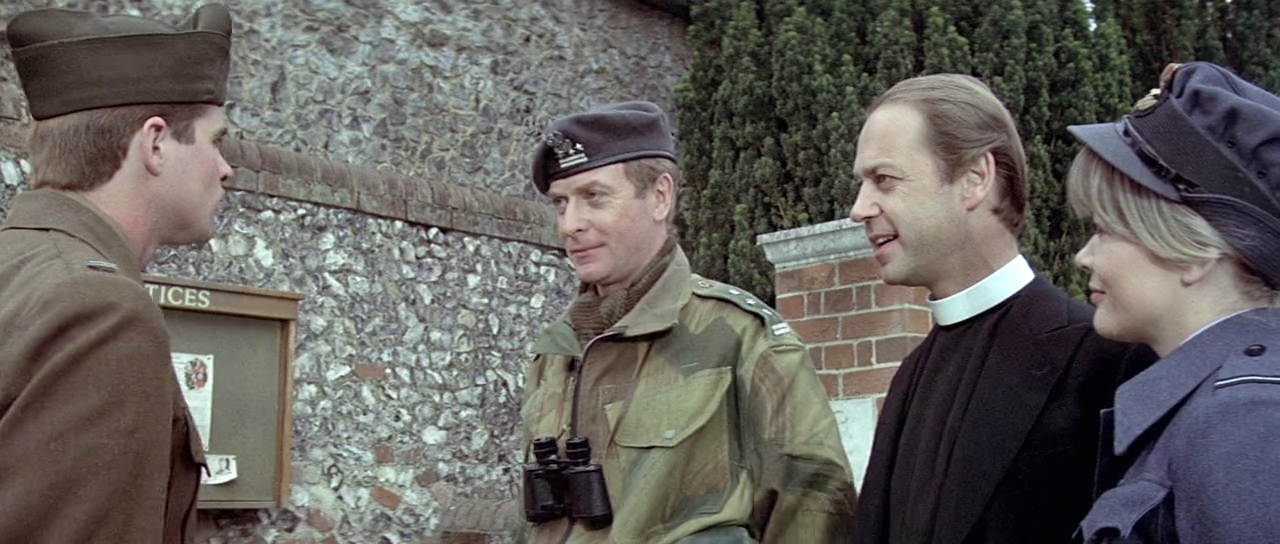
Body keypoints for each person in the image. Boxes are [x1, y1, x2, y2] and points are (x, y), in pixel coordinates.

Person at [520, 101, 857, 543]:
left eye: (594, 197)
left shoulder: (739, 335)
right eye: (560, 203)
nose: (570, 224)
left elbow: (815, 504)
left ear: (660, 196)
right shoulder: (557, 354)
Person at [848, 74, 1154, 544]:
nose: (859, 208)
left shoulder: (1105, 358)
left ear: (975, 179)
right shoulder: (909, 376)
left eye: (884, 180)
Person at [0, 5, 235, 543]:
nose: (226, 169)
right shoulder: (100, 312)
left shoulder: (21, 273)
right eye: (215, 140)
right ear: (155, 143)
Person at [1068, 61, 1280, 543]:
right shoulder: (1230, 407)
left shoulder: (1244, 421)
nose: (1084, 257)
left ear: (1196, 252)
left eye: (1104, 229)